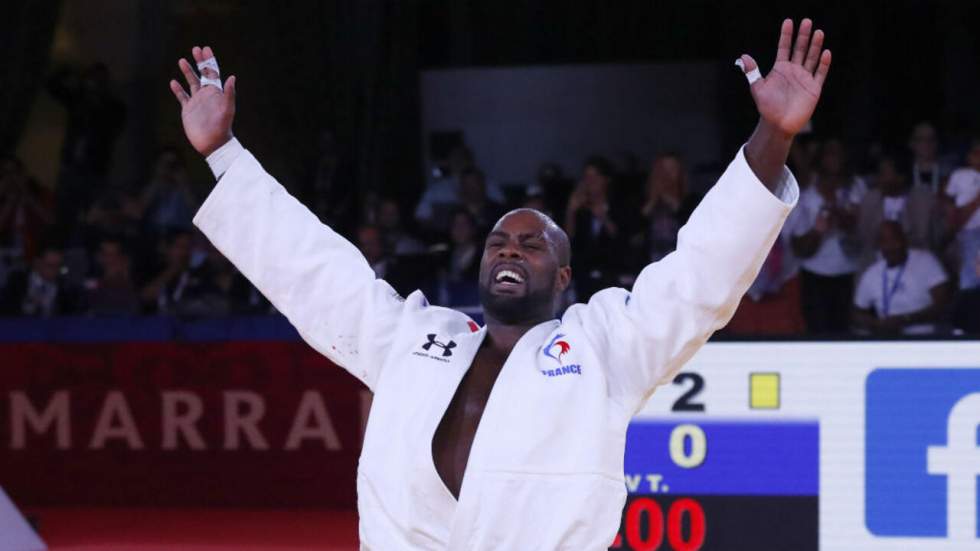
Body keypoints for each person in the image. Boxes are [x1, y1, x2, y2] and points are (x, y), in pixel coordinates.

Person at [170, 18, 830, 548]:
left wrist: (772, 136)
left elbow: (699, 276)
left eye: (531, 242)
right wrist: (223, 153)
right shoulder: (420, 337)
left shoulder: (602, 348)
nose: (508, 248)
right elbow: (314, 269)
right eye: (497, 241)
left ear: (564, 275)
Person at [785, 138, 865, 334]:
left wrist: (842, 216)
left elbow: (866, 230)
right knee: (818, 330)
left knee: (847, 330)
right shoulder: (806, 196)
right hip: (815, 275)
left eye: (838, 153)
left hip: (850, 271)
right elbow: (798, 247)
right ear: (821, 159)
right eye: (829, 153)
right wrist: (818, 230)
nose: (834, 159)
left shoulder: (856, 187)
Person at [853, 221, 950, 336]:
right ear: (879, 246)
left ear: (905, 240)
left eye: (895, 239)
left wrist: (905, 320)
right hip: (888, 340)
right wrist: (877, 324)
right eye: (886, 241)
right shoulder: (871, 274)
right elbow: (857, 313)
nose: (892, 246)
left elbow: (942, 306)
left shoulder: (926, 261)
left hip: (925, 339)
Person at [856, 155, 940, 269]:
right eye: (879, 174)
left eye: (884, 173)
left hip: (916, 267)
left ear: (901, 177)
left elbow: (934, 239)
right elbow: (865, 239)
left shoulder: (923, 199)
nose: (879, 178)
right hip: (876, 268)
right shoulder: (870, 199)